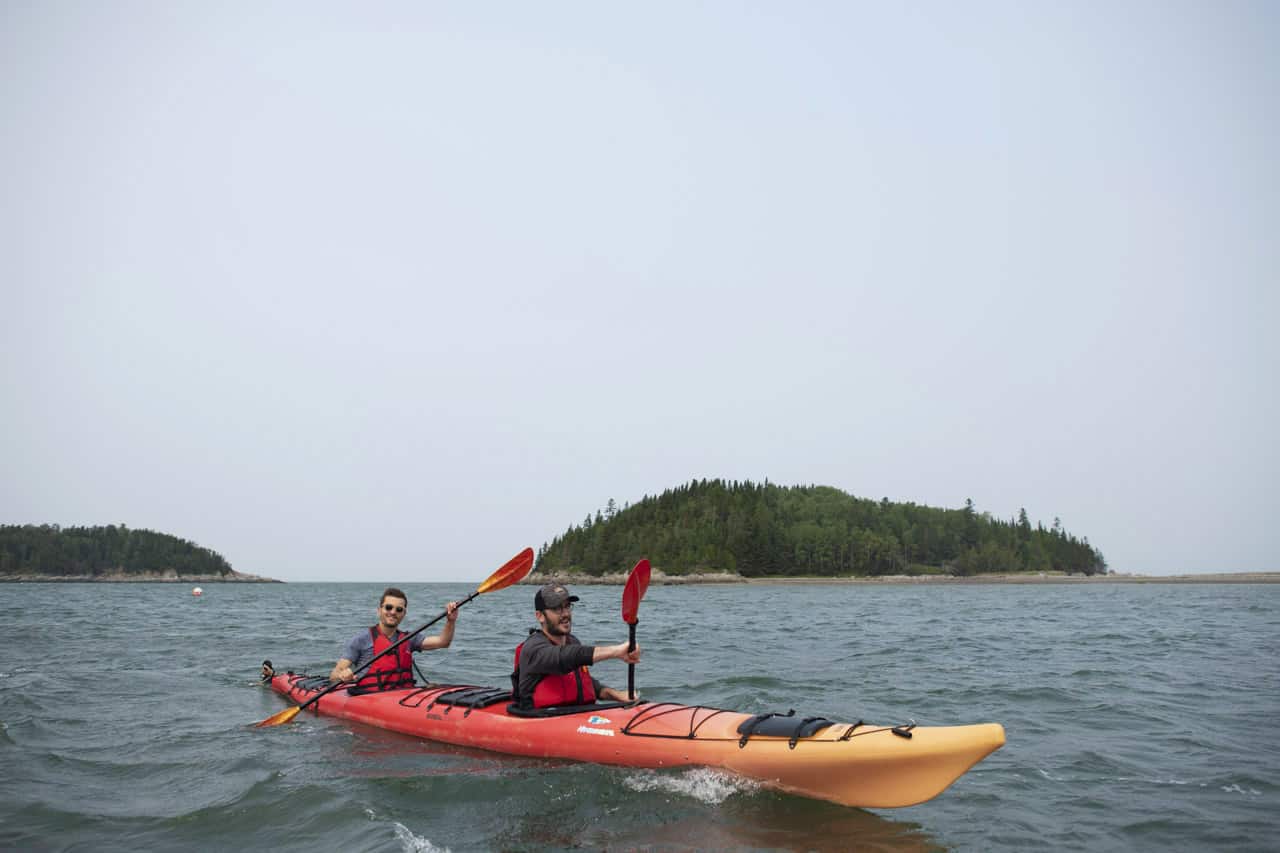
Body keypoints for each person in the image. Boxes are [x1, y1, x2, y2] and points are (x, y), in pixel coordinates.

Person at [513, 583, 641, 708]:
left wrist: (616, 695)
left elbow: (582, 682)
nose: (565, 614)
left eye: (567, 606)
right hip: (540, 718)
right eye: (557, 609)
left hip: (577, 714)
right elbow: (564, 658)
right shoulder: (533, 649)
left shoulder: (572, 641)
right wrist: (617, 651)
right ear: (540, 616)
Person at [329, 587, 459, 690]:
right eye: (388, 607)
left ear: (404, 613)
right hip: (370, 698)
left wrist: (450, 621)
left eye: (399, 609)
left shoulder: (409, 639)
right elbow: (334, 675)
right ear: (379, 610)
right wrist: (342, 675)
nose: (393, 612)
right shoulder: (361, 640)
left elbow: (443, 642)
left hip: (403, 697)